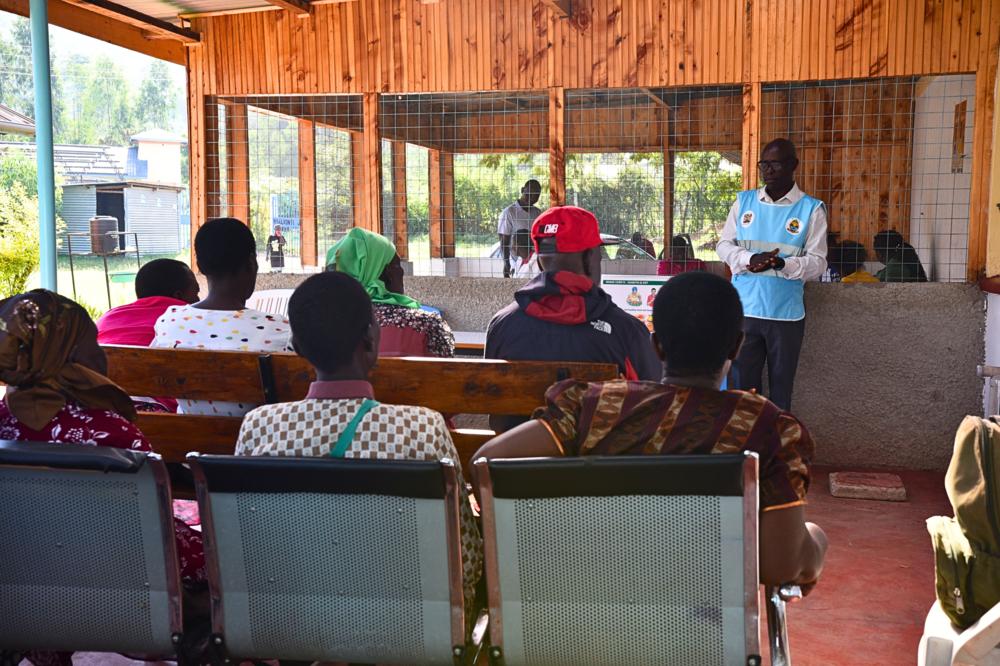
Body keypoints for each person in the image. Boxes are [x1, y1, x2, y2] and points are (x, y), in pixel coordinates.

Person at [473, 272, 828, 593]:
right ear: (737, 345)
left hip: (577, 617)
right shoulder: (766, 429)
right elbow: (782, 566)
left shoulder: (594, 407)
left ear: (656, 346)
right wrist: (816, 542)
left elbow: (486, 463)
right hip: (700, 633)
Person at [235, 271, 482, 605]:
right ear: (369, 337)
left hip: (295, 623)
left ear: (297, 346)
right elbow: (465, 559)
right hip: (408, 627)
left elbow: (249, 545)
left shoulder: (259, 427)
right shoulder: (423, 428)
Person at [0, 291, 206, 659]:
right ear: (68, 357)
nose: (102, 354)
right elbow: (154, 532)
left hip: (25, 595)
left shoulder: (3, 425)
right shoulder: (111, 434)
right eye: (94, 342)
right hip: (127, 591)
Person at [485, 206, 661, 430]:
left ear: (540, 262)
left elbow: (494, 408)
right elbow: (653, 407)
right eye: (599, 253)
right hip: (601, 464)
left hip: (513, 461)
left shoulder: (502, 324)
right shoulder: (627, 331)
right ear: (589, 258)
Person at [716, 138, 828, 411]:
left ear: (793, 165)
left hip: (785, 315)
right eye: (763, 164)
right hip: (745, 311)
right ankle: (744, 448)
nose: (768, 170)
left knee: (780, 393)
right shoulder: (743, 202)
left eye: (775, 163)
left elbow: (818, 263)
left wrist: (782, 265)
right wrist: (750, 258)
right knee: (742, 391)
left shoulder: (812, 209)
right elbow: (723, 245)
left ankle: (776, 449)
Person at [152, 218, 291, 416]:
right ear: (252, 262)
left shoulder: (170, 322)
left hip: (186, 442)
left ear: (199, 265)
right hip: (255, 443)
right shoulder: (280, 330)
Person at [327, 227, 455, 358]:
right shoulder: (426, 324)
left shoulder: (324, 322)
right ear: (388, 274)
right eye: (398, 265)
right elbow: (450, 372)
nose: (402, 272)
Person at [97, 258, 200, 346]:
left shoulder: (107, 317)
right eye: (196, 293)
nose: (198, 299)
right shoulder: (190, 319)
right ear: (178, 295)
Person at [498, 179, 543, 278]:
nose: (531, 198)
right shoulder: (509, 213)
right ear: (523, 190)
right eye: (529, 194)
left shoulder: (537, 213)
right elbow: (503, 241)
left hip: (535, 261)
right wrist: (506, 264)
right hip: (517, 262)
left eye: (536, 196)